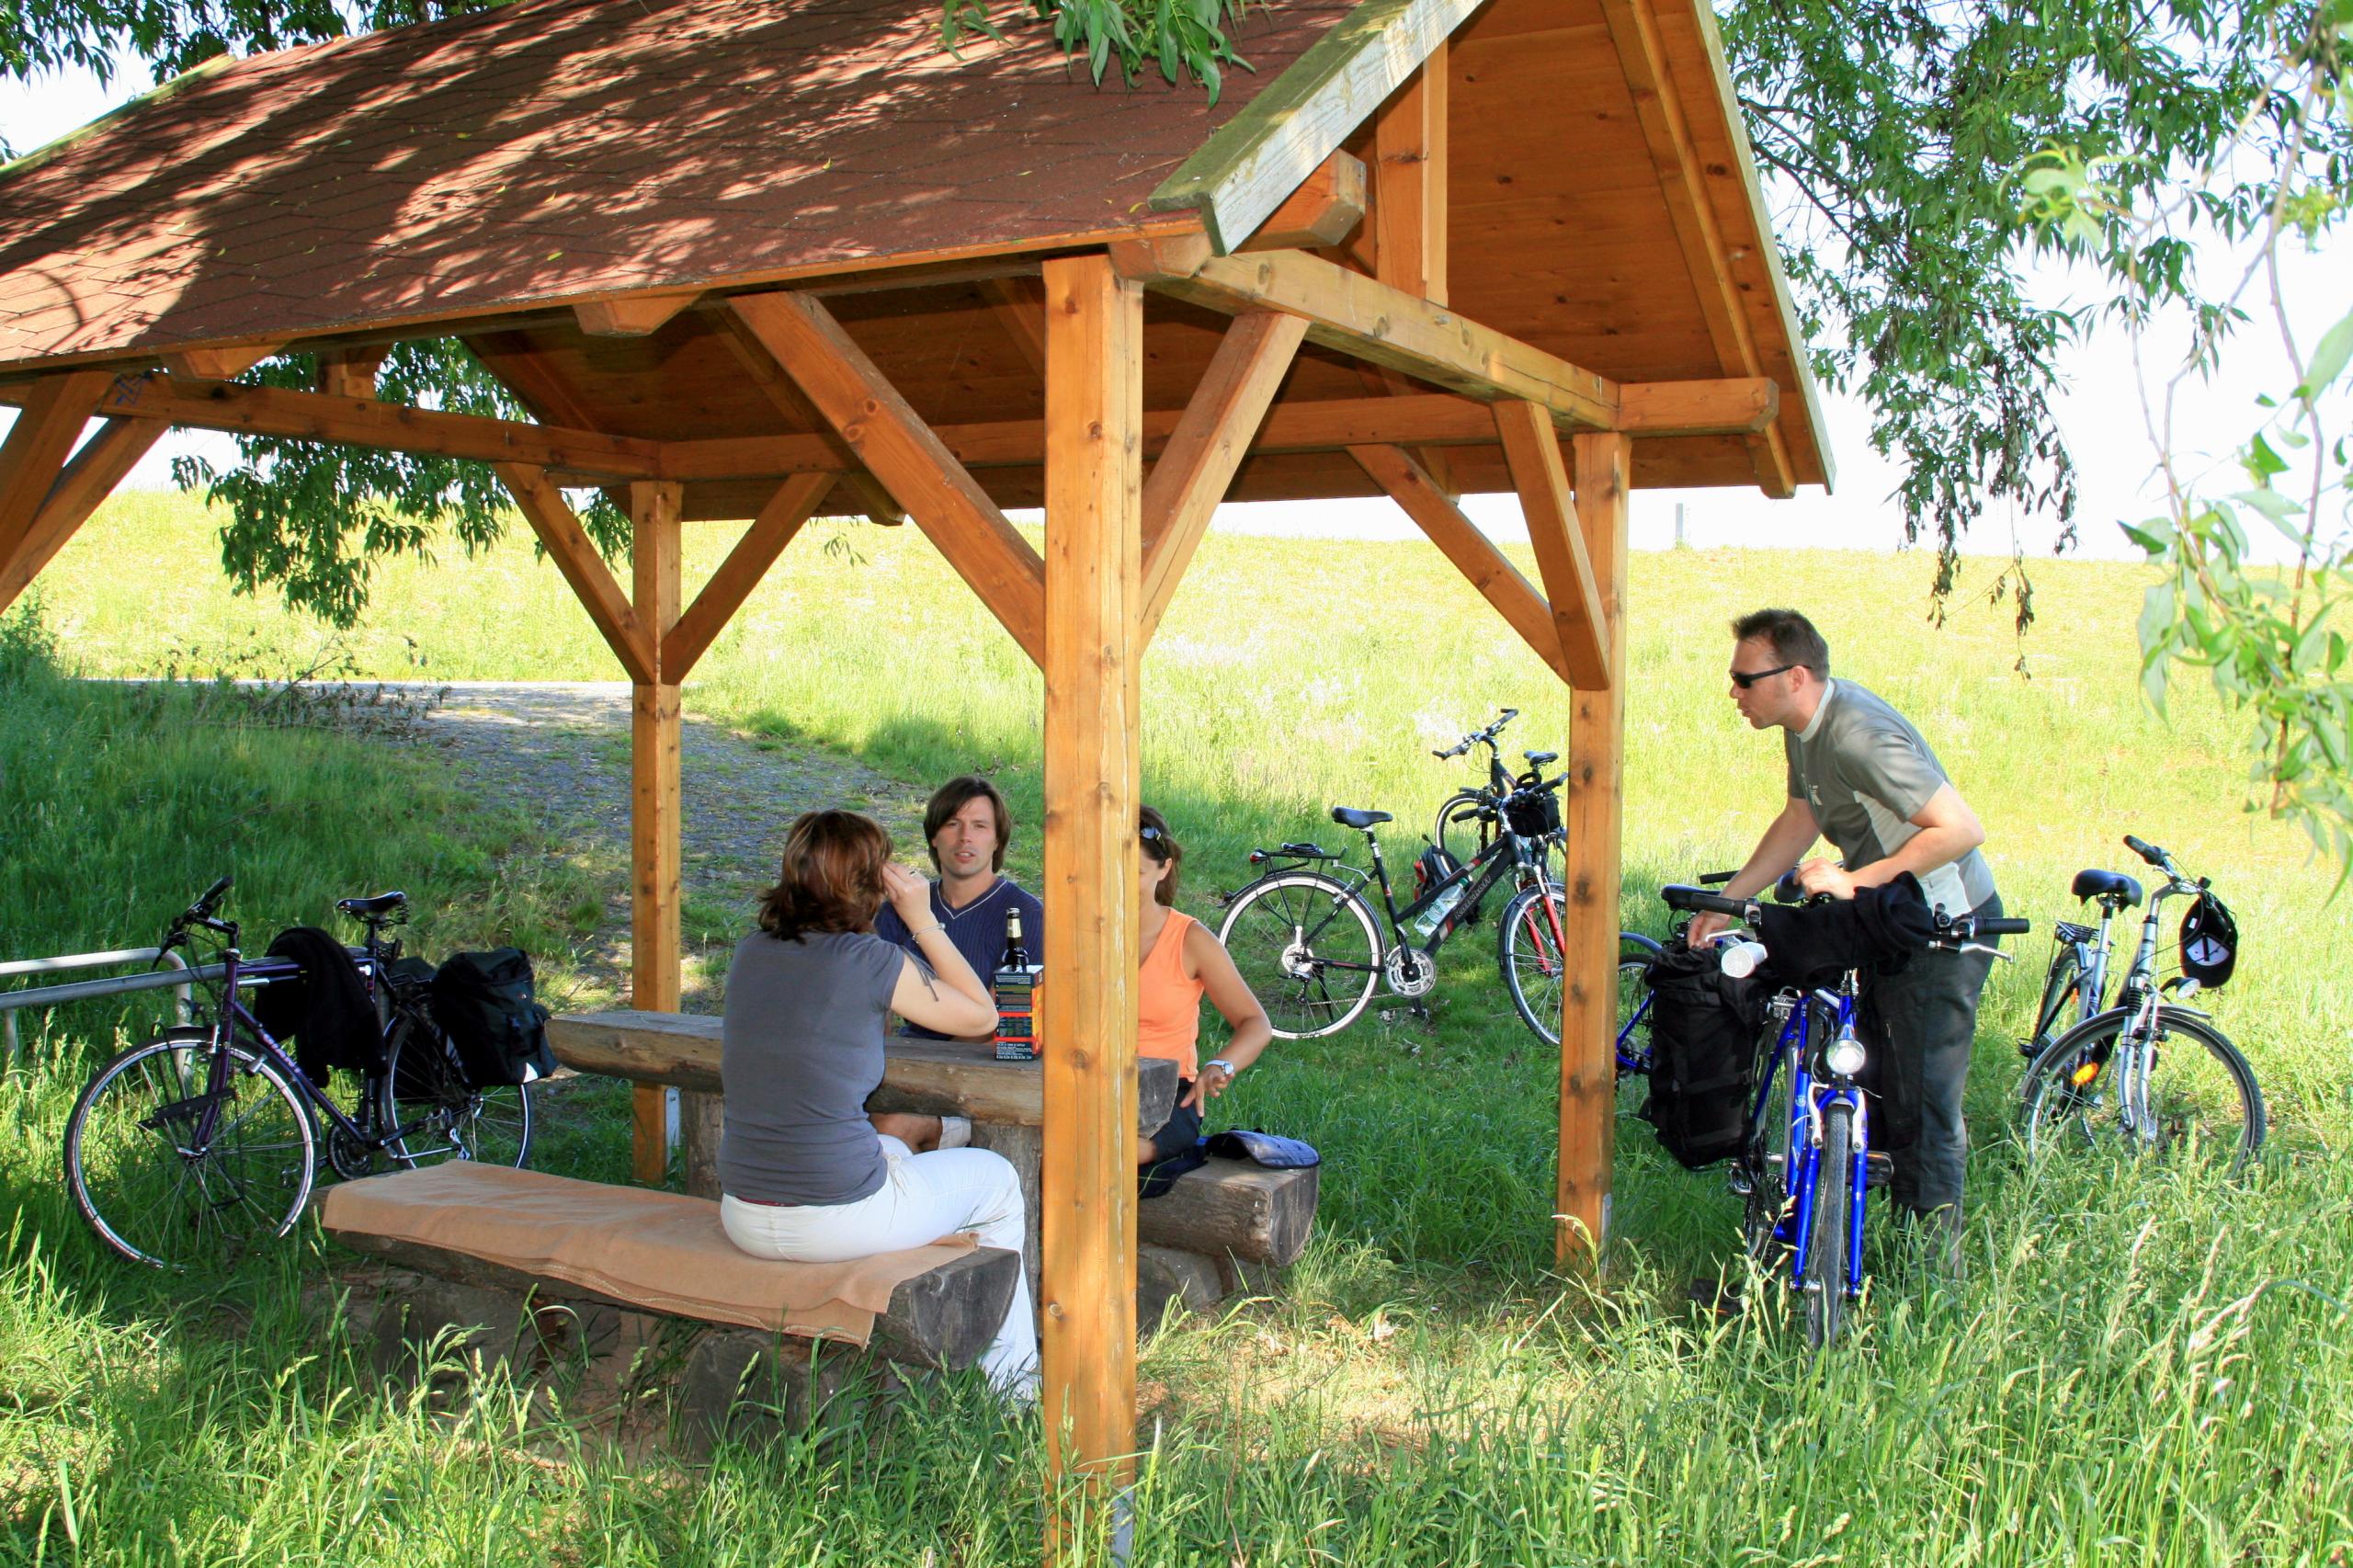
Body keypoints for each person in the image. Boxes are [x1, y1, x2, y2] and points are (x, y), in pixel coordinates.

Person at [1685, 608, 2001, 1245]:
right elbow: (1800, 818)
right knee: (1878, 1085)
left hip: (1943, 925)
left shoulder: (1858, 734)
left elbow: (1961, 829)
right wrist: (1726, 901)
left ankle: (1936, 1278)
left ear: (1795, 676)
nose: (1734, 692)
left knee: (1924, 1102)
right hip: (1890, 918)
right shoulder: (1803, 729)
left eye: (1745, 679)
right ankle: (1866, 1241)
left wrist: (1857, 880)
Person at [717, 810, 1037, 1401]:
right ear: (871, 882)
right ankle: (1014, 1389)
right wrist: (922, 919)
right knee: (996, 1180)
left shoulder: (752, 952)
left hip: (743, 1212)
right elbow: (983, 1017)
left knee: (889, 1144)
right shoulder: (870, 961)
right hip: (830, 1217)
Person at [1133, 806, 1274, 1182]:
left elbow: (1255, 1023)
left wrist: (1221, 1065)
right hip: (1086, 1084)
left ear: (1162, 870)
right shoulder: (1075, 931)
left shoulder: (1189, 939)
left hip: (1164, 1096)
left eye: (1135, 873)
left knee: (1110, 1152)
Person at [872, 775, 1043, 1041]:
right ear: (934, 838)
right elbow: (873, 1007)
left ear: (997, 841)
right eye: (953, 824)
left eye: (980, 826)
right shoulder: (900, 906)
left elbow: (996, 1025)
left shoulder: (1025, 913)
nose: (965, 837)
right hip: (906, 1057)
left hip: (983, 1064)